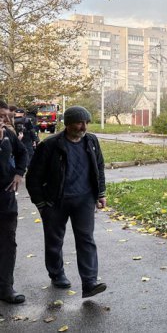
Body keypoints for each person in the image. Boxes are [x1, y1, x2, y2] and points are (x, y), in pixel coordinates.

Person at [26, 106, 108, 299]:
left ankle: (89, 282)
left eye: (86, 122)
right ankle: (57, 274)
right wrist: (41, 204)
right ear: (68, 123)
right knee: (55, 241)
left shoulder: (91, 141)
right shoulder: (50, 145)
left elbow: (99, 167)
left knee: (86, 239)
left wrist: (100, 193)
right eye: (79, 122)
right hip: (55, 201)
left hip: (84, 200)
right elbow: (34, 177)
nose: (83, 126)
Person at [0, 100, 28, 304]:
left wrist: (19, 173)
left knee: (8, 243)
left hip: (6, 200)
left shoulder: (8, 135)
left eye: (4, 115)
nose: (4, 119)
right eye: (0, 116)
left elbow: (22, 152)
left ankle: (6, 288)